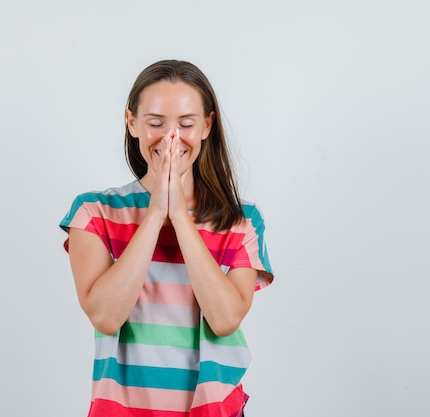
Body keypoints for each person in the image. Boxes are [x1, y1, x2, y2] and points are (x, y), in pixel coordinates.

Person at [59, 59, 274, 417]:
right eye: (155, 123)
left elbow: (225, 319)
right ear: (132, 123)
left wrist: (179, 216)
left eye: (186, 124)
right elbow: (105, 316)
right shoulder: (94, 212)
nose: (171, 137)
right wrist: (156, 212)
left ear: (207, 126)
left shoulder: (242, 220)